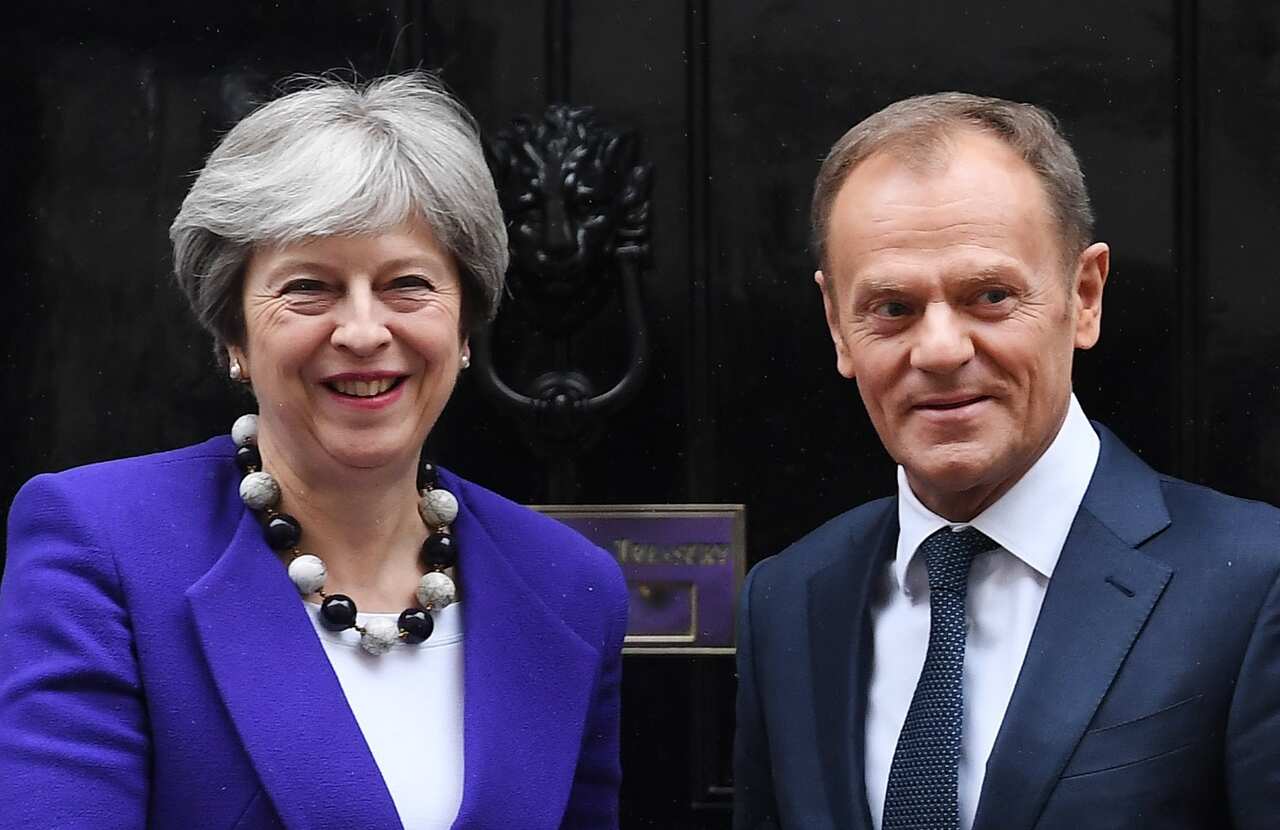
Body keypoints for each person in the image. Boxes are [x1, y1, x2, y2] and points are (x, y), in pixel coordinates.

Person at [0, 73, 627, 830]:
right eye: (309, 287)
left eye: (407, 284)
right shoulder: (102, 547)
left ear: (465, 329)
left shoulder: (569, 584)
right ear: (234, 334)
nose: (363, 331)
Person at [734, 92, 1280, 830]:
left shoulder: (1253, 584)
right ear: (838, 325)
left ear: (1084, 297)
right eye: (892, 308)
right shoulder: (787, 599)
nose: (940, 351)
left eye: (989, 296)